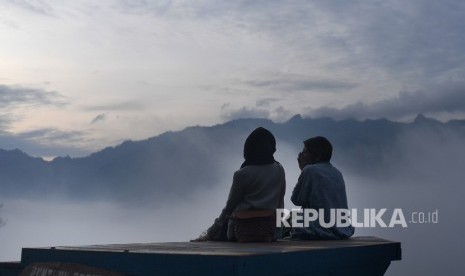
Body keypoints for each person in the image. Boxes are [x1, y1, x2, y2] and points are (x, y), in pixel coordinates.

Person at [192, 127, 285, 242]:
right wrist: (277, 230)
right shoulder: (279, 169)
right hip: (269, 231)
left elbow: (230, 207)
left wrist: (211, 232)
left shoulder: (242, 174)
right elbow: (280, 202)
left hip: (241, 231)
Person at [289, 136, 354, 240]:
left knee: (286, 222)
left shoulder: (310, 171)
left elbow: (296, 200)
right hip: (341, 230)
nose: (301, 155)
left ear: (317, 156)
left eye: (305, 152)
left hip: (319, 231)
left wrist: (303, 170)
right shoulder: (337, 173)